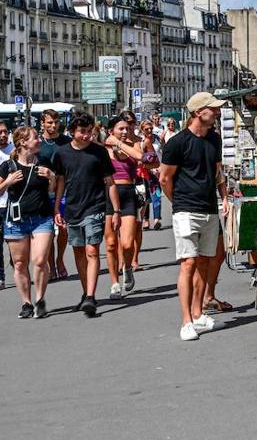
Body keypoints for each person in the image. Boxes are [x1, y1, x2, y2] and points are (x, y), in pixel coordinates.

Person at [161, 92, 230, 342]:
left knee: (205, 262)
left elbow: (217, 171)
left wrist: (224, 197)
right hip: (186, 209)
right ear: (199, 112)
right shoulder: (177, 143)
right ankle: (186, 321)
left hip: (209, 207)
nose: (218, 112)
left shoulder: (214, 139)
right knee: (188, 263)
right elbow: (164, 178)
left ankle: (198, 313)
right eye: (213, 109)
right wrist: (177, 203)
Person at [51, 114, 120, 317]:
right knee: (79, 252)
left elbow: (110, 181)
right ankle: (85, 293)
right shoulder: (62, 153)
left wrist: (115, 211)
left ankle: (90, 296)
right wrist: (57, 208)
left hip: (95, 207)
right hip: (72, 208)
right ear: (72, 132)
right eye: (83, 131)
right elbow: (61, 182)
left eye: (90, 131)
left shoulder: (99, 152)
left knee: (91, 251)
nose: (87, 135)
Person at [1, 126, 55, 317]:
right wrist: (7, 182)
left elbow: (51, 190)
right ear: (23, 142)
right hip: (16, 221)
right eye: (35, 138)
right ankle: (26, 303)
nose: (39, 140)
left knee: (40, 260)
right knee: (20, 263)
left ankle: (40, 299)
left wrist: (51, 178)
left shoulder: (44, 162)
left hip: (42, 218)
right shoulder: (8, 166)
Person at [102, 116, 155, 297]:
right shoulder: (103, 150)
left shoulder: (134, 146)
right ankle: (114, 282)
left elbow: (142, 157)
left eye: (127, 128)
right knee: (110, 244)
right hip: (108, 195)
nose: (125, 132)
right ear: (111, 131)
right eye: (121, 129)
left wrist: (117, 142)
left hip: (128, 194)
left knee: (126, 243)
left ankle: (127, 268)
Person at [39, 110, 72, 280]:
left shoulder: (66, 141)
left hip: (64, 189)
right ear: (42, 123)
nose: (53, 126)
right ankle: (51, 265)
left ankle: (60, 260)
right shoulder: (38, 143)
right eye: (49, 122)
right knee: (48, 231)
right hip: (43, 192)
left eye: (56, 122)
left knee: (63, 227)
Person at [0, 122, 11, 290]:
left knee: (15, 242)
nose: (2, 135)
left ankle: (19, 264)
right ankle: (1, 276)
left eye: (4, 132)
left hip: (13, 204)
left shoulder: (14, 151)